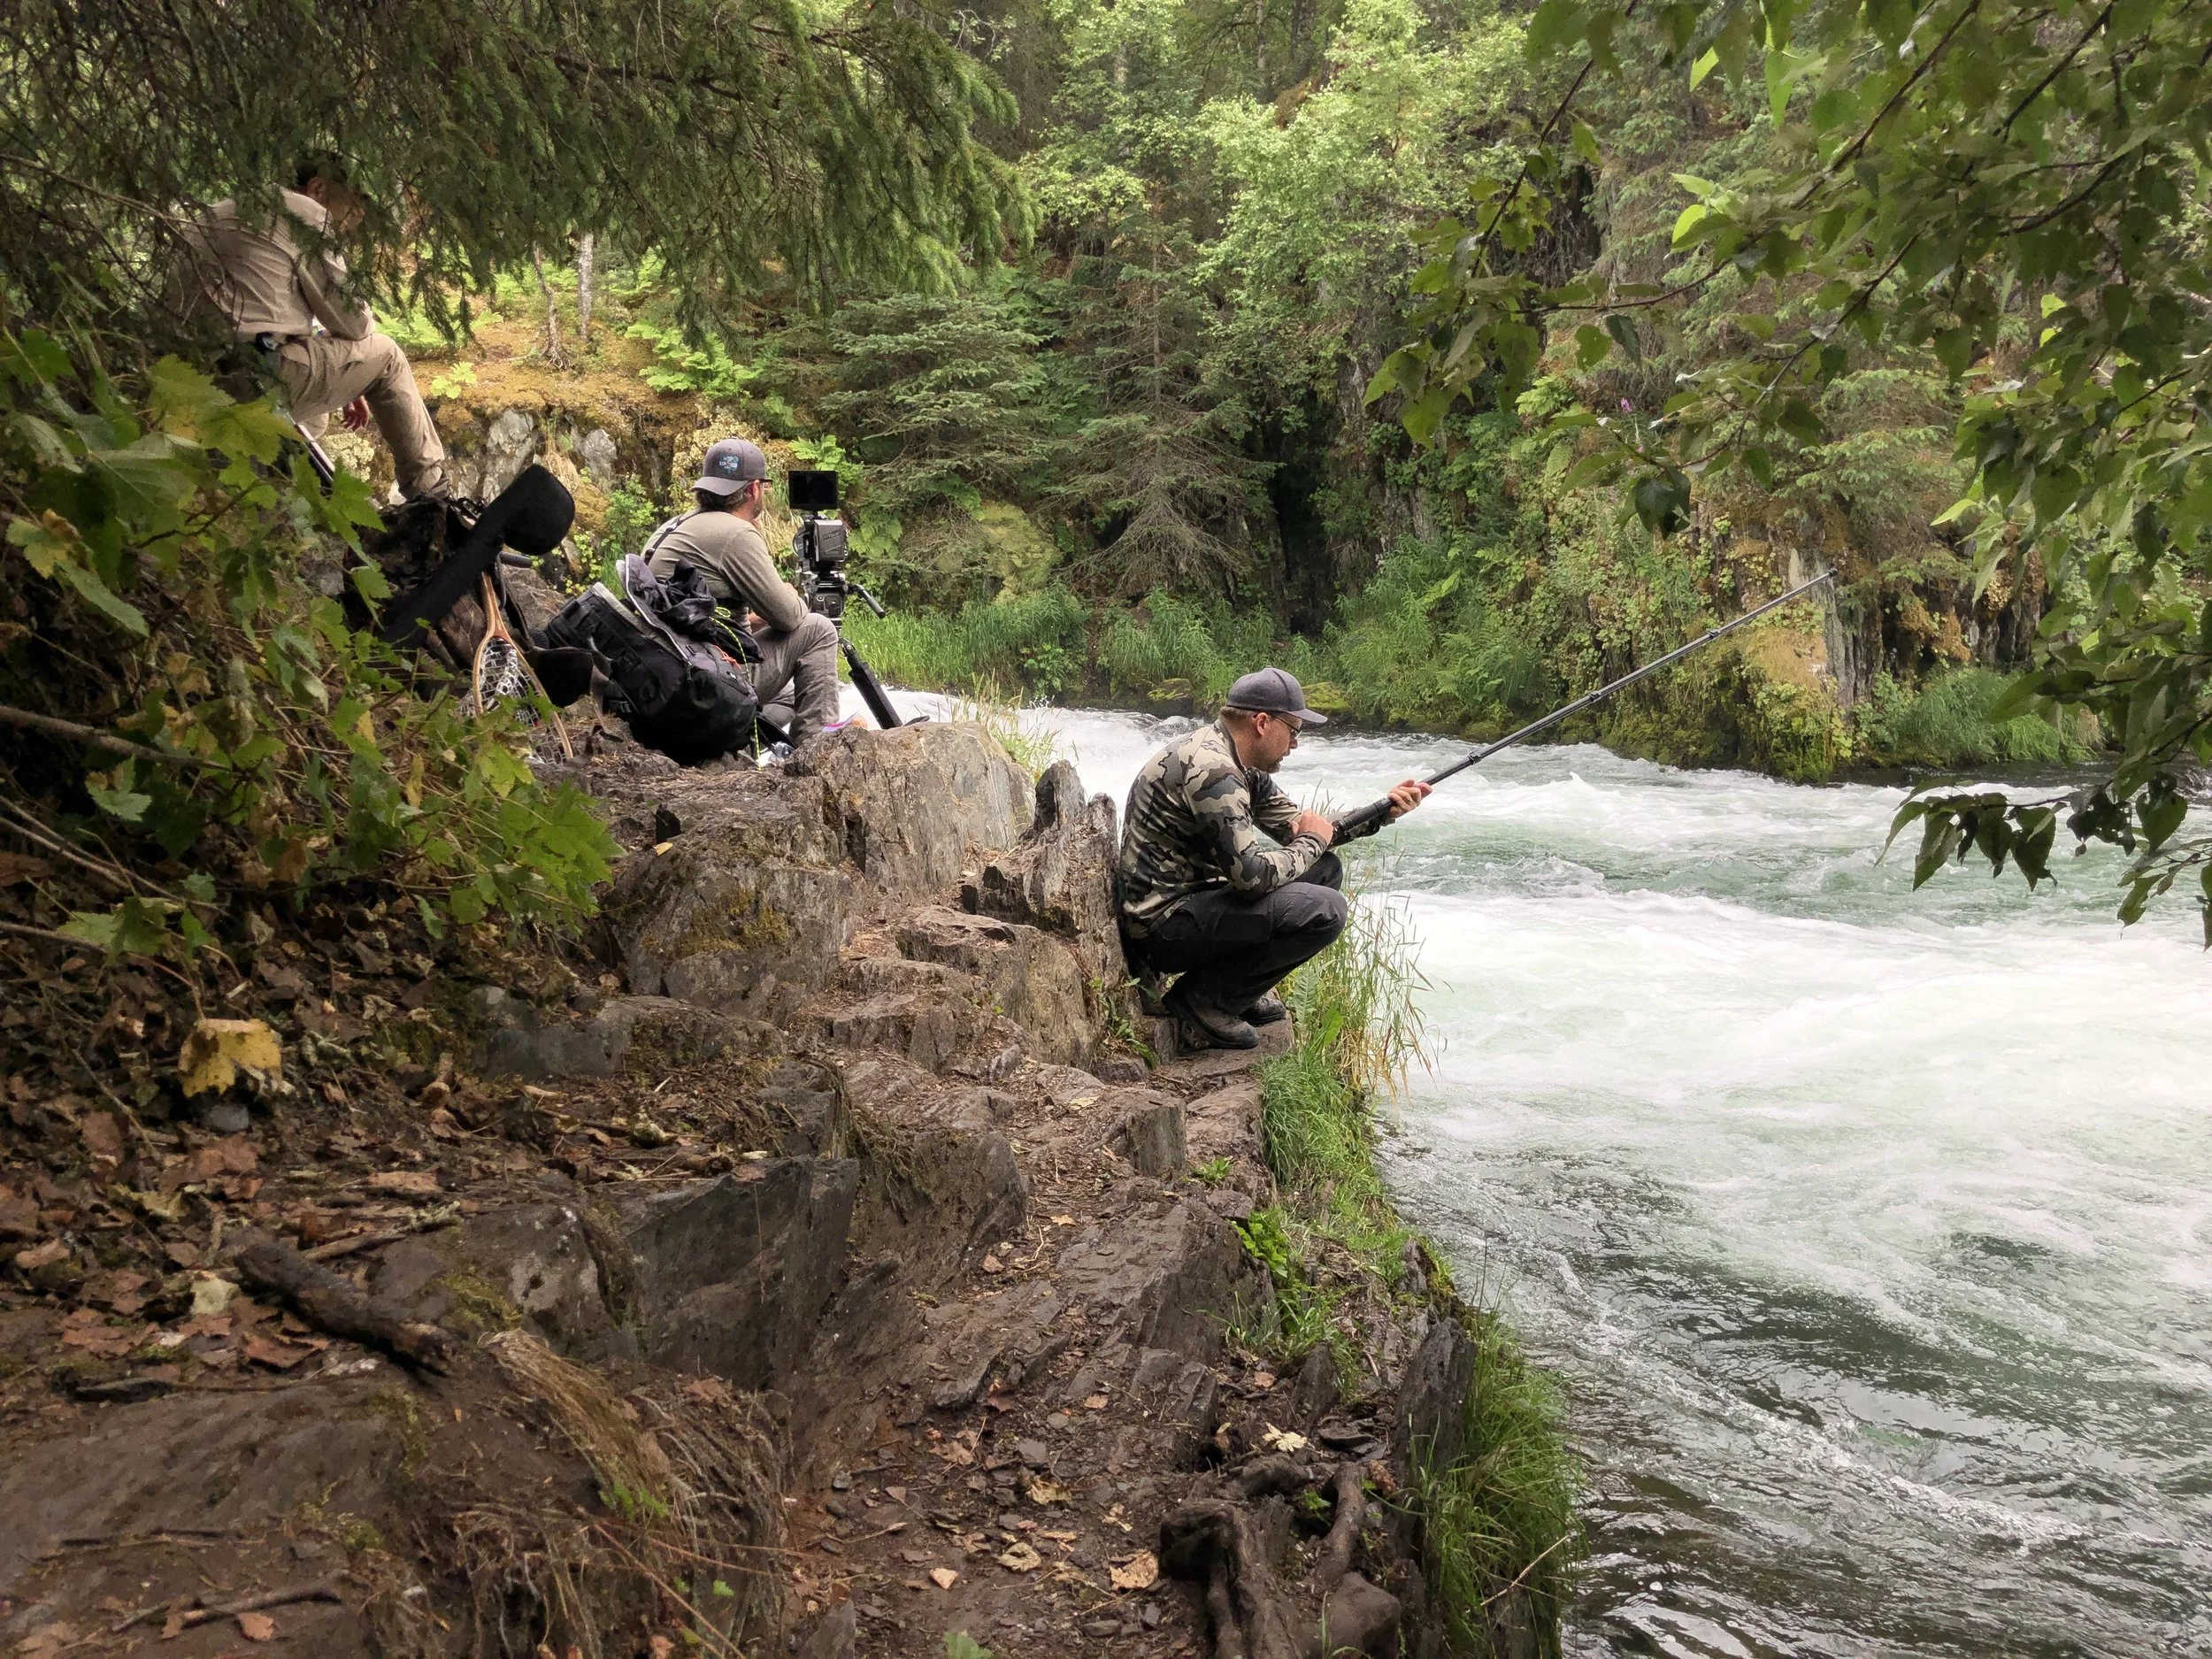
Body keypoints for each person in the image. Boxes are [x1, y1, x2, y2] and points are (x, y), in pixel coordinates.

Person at [1117, 667, 1430, 1051]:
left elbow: (1302, 829)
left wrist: (1381, 812)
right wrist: (1313, 840)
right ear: (1262, 722)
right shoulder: (1215, 772)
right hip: (1160, 927)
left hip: (1195, 901)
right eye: (1294, 731)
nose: (1296, 744)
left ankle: (1232, 990)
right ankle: (1204, 1000)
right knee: (1327, 909)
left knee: (1325, 869)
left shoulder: (1239, 763)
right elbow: (1253, 878)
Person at [178, 157, 449, 499]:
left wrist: (344, 377)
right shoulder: (305, 213)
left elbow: (257, 307)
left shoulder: (221, 210)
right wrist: (356, 365)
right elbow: (353, 321)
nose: (354, 221)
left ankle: (278, 502)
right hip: (252, 376)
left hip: (189, 377)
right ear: (318, 189)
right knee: (388, 356)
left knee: (317, 420)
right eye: (353, 208)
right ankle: (432, 494)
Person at [642, 438, 843, 741]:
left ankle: (736, 743)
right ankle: (818, 751)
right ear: (753, 489)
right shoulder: (735, 534)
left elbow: (693, 611)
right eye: (763, 486)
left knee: (786, 696)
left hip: (667, 671)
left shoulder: (673, 527)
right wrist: (796, 595)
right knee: (819, 629)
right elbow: (790, 617)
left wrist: (758, 618)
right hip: (706, 678)